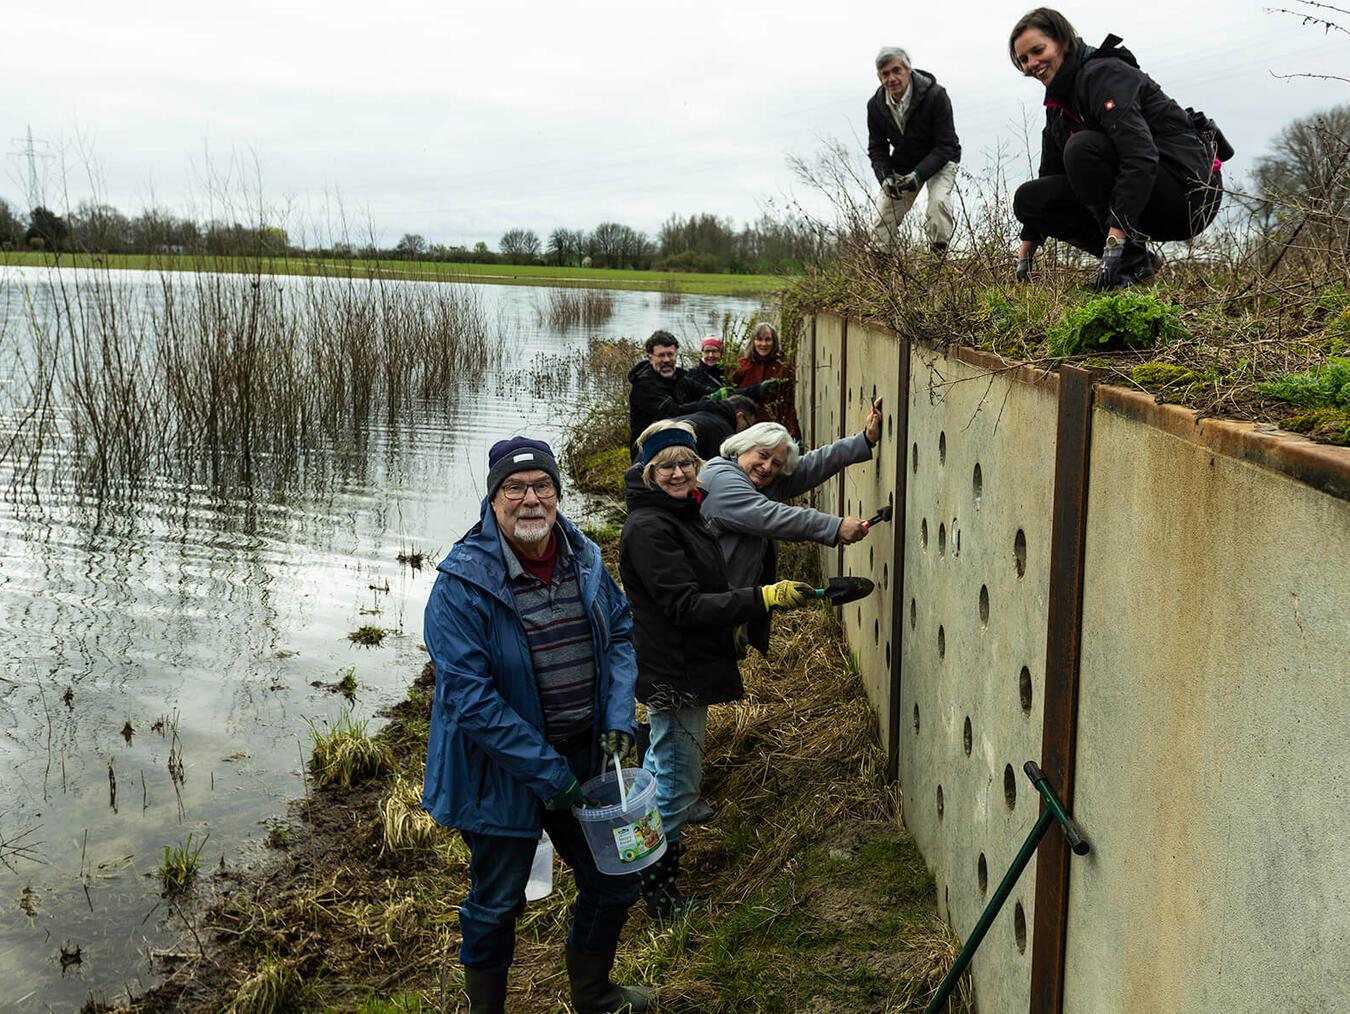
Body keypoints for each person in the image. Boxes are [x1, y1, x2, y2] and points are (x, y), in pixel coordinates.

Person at [421, 436, 651, 1014]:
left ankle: (594, 993)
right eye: (515, 488)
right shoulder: (461, 583)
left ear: (558, 492)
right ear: (494, 499)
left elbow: (620, 633)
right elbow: (471, 701)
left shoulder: (585, 558)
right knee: (496, 903)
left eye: (542, 486)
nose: (531, 499)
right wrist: (548, 775)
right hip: (501, 775)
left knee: (615, 877)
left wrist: (619, 715)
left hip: (586, 761)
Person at [618, 421, 814, 918]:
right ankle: (659, 893)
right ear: (649, 473)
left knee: (662, 767)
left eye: (687, 462)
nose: (680, 472)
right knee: (678, 785)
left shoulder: (685, 513)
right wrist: (759, 598)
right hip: (676, 671)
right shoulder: (650, 528)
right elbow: (684, 606)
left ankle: (637, 873)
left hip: (684, 663)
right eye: (668, 465)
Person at [1009, 8, 1226, 290]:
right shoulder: (1058, 105)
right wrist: (1028, 245)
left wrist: (1115, 241)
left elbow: (1140, 156)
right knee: (1030, 199)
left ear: (1062, 41)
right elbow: (1049, 173)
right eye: (1023, 59)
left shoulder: (1104, 74)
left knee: (1082, 149)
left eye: (1038, 50)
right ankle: (1137, 263)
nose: (1031, 64)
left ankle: (1129, 267)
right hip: (1142, 198)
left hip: (1189, 194)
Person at [699, 400, 883, 655]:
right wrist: (835, 526)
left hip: (728, 602)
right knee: (705, 677)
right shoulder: (722, 480)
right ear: (742, 447)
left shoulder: (751, 479)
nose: (767, 468)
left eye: (776, 463)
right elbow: (769, 516)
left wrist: (863, 441)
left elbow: (807, 467)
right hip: (709, 607)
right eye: (762, 456)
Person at [867, 46, 962, 255]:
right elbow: (877, 148)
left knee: (938, 205)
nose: (891, 78)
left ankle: (938, 265)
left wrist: (918, 175)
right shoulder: (875, 106)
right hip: (904, 162)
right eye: (885, 74)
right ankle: (881, 275)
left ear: (908, 70)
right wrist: (886, 178)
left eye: (896, 71)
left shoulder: (936, 95)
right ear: (879, 77)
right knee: (884, 216)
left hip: (941, 159)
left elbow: (945, 144)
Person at [627, 330, 719, 461]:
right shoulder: (643, 386)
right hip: (647, 451)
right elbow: (674, 412)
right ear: (650, 357)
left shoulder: (680, 377)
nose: (666, 360)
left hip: (678, 444)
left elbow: (707, 391)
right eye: (661, 355)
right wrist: (707, 403)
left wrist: (726, 394)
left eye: (670, 354)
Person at [728, 323, 800, 440]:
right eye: (759, 339)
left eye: (768, 340)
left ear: (774, 342)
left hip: (772, 428)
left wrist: (794, 432)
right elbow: (730, 396)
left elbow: (788, 403)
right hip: (745, 428)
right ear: (753, 341)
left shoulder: (782, 367)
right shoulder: (742, 365)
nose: (763, 344)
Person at [672, 394, 758, 460]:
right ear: (740, 416)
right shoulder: (724, 432)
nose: (746, 431)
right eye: (748, 426)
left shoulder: (701, 413)